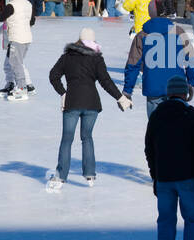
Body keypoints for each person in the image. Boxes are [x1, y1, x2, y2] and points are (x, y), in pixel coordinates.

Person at [47, 26, 131, 188]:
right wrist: (120, 98)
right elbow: (106, 81)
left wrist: (63, 93)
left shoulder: (67, 57)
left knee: (67, 139)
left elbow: (53, 75)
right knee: (87, 137)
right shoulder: (97, 59)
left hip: (72, 102)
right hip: (92, 103)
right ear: (92, 41)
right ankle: (90, 175)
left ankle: (60, 176)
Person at [144, 74, 194, 240]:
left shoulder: (156, 115)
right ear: (186, 94)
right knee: (192, 219)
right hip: (188, 177)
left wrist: (155, 175)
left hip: (164, 178)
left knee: (165, 218)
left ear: (168, 93)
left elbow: (149, 149)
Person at [124, 11, 194, 117]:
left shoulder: (142, 35)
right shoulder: (179, 32)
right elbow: (191, 59)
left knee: (156, 128)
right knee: (177, 128)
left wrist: (127, 90)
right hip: (177, 88)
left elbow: (133, 65)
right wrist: (191, 82)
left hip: (153, 87)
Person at [0, 0, 36, 100]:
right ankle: (12, 85)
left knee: (16, 64)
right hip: (26, 38)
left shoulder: (12, 5)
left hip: (17, 38)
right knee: (12, 63)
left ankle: (22, 88)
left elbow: (1, 18)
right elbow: (32, 21)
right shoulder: (28, 4)